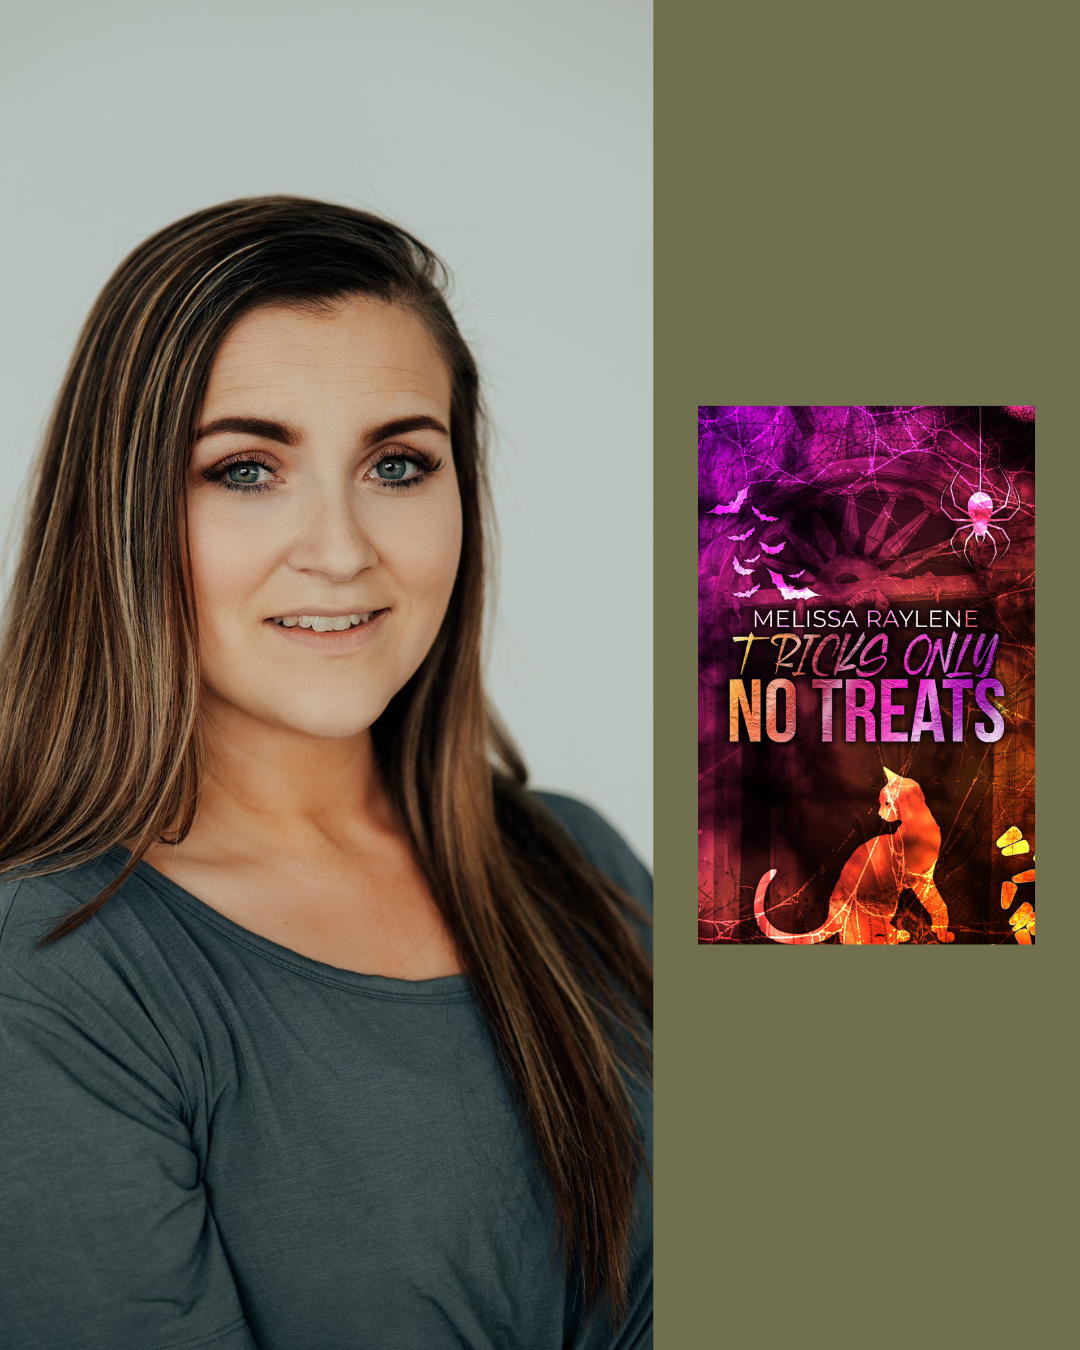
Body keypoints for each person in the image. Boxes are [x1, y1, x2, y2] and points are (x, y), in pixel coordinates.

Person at [0, 198, 652, 1349]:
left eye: (400, 464)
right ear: (122, 512)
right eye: (246, 470)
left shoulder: (581, 863)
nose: (344, 549)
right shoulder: (50, 969)